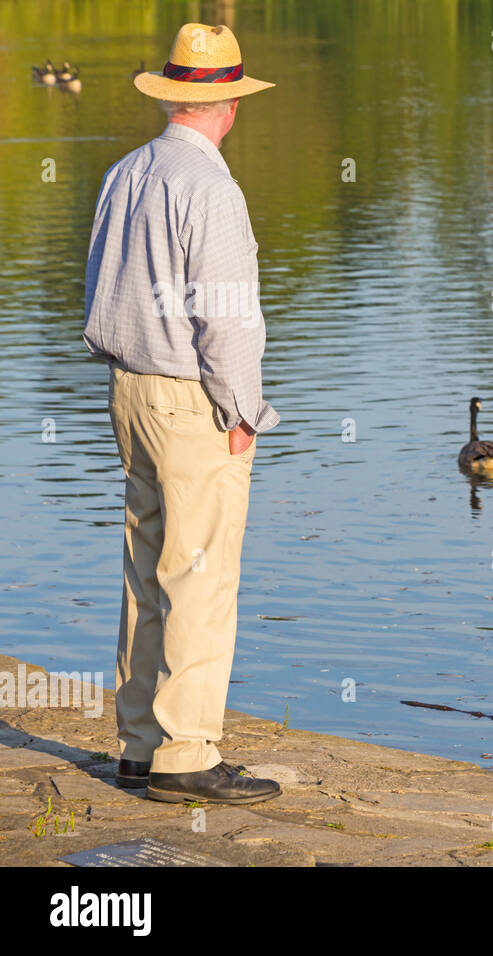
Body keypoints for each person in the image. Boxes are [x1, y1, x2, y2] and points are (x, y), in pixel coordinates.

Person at [83, 22, 281, 804]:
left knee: (147, 567)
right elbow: (229, 320)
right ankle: (187, 754)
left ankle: (138, 743)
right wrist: (242, 410)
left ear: (173, 98)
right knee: (201, 574)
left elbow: (101, 283)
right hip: (191, 397)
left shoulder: (124, 172)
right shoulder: (212, 189)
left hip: (127, 389)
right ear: (229, 103)